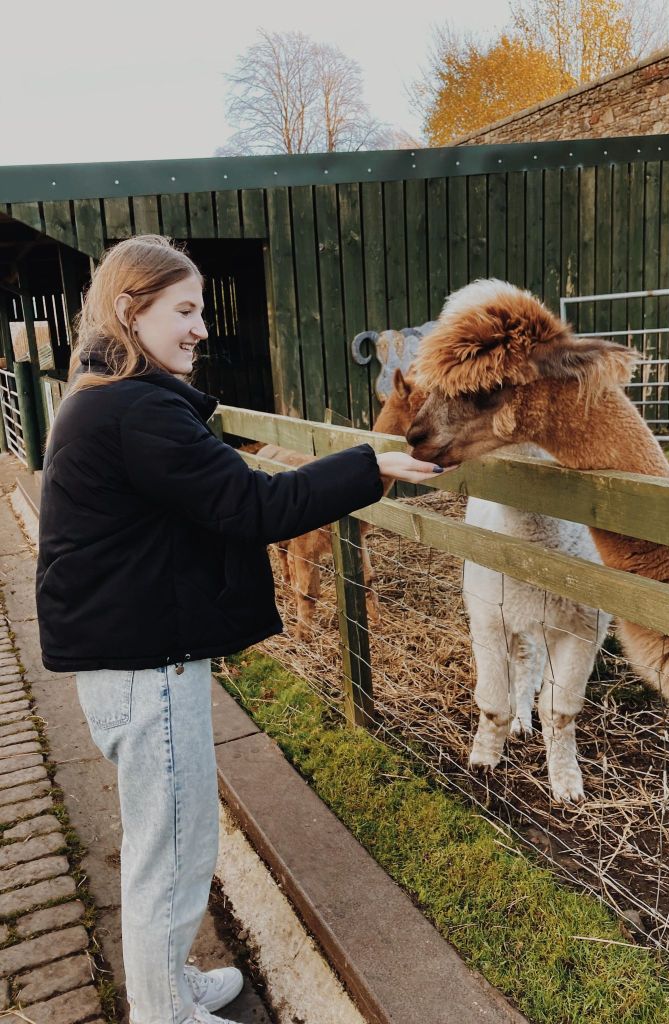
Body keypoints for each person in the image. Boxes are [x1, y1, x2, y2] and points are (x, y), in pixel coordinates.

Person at [35, 235, 445, 1024]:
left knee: (170, 842)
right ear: (131, 310)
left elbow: (199, 504)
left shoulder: (100, 396)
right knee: (174, 853)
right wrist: (372, 464)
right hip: (143, 666)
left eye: (198, 311)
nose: (199, 329)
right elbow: (254, 507)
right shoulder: (134, 408)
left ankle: (170, 986)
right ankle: (165, 1016)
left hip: (130, 657)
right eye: (183, 311)